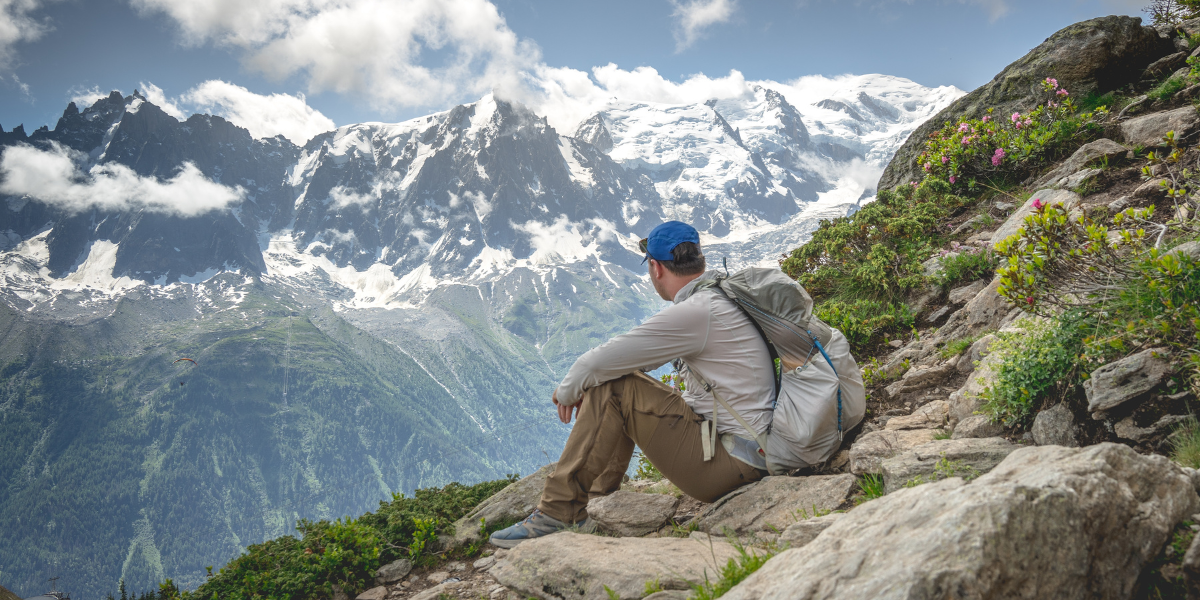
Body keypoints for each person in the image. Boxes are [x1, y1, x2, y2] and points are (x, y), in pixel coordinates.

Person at [490, 220, 776, 548]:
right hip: (746, 449)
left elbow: (595, 364)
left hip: (733, 462)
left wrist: (568, 391)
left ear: (655, 268)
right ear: (700, 260)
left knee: (613, 385)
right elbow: (621, 363)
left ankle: (560, 511)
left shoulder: (697, 312)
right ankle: (596, 501)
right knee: (617, 380)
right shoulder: (717, 299)